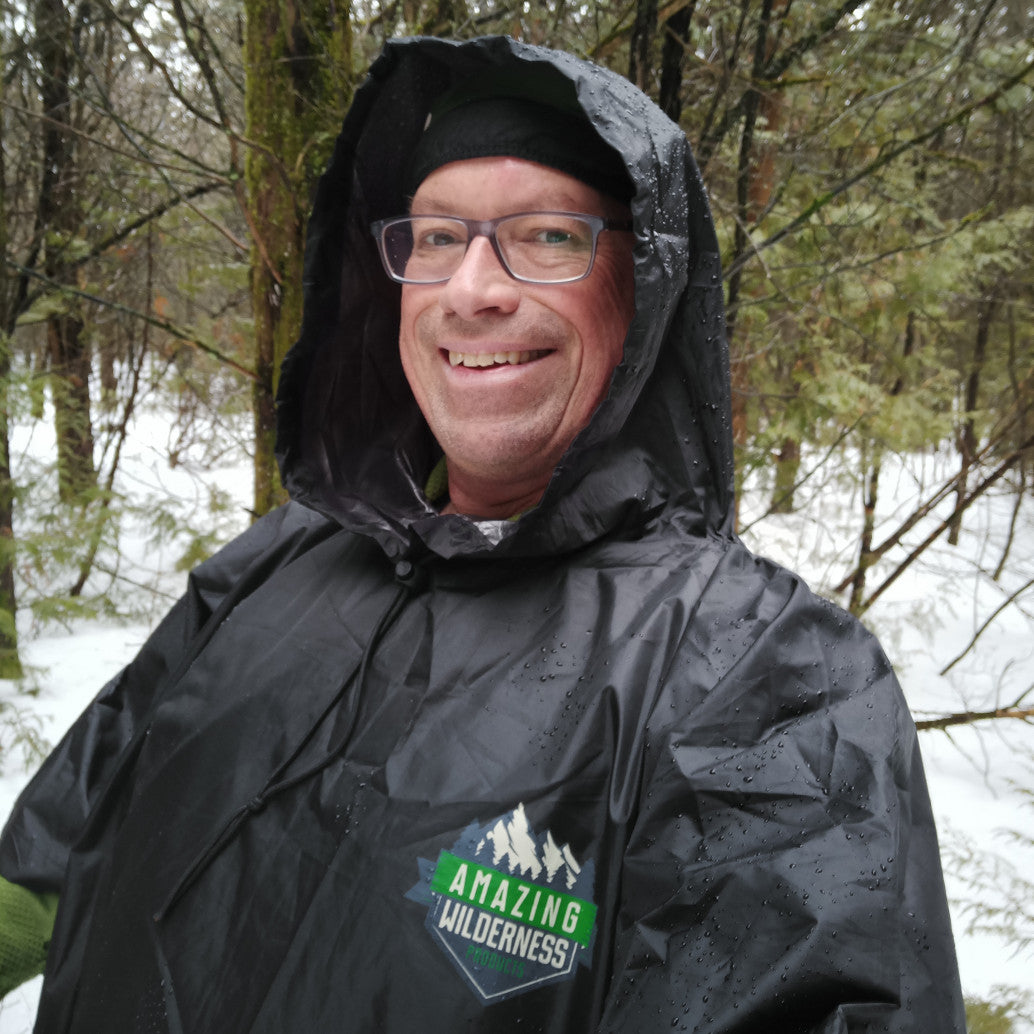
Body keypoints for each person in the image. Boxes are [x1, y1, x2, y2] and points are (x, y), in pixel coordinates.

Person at [0, 35, 965, 1033]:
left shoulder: (758, 677)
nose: (473, 289)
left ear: (642, 285)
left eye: (546, 236)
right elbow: (68, 832)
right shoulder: (281, 560)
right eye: (435, 238)